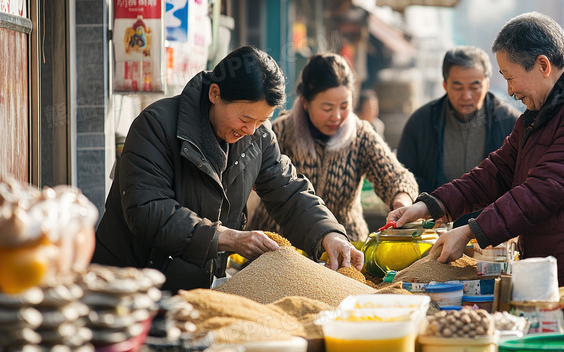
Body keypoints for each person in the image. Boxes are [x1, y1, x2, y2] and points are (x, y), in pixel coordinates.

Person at [389, 12, 564, 352]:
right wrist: (430, 205)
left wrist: (470, 232)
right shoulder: (539, 113)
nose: (509, 89)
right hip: (555, 268)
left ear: (543, 65)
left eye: (510, 76)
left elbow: (540, 193)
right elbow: (494, 173)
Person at [93, 46, 363, 292]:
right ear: (215, 94)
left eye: (262, 120)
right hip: (128, 287)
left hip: (197, 290)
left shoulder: (258, 136)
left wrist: (328, 232)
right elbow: (147, 210)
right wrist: (226, 238)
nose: (250, 130)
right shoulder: (155, 126)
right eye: (245, 118)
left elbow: (289, 191)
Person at [248, 53, 417, 242]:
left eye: (344, 106)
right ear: (305, 102)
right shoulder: (281, 132)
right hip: (279, 243)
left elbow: (396, 177)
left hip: (345, 243)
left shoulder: (360, 135)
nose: (336, 116)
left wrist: (401, 201)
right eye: (327, 108)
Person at [396, 46, 522, 227]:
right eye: (457, 86)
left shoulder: (510, 122)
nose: (467, 96)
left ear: (486, 84)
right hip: (433, 227)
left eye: (474, 86)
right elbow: (404, 175)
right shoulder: (421, 122)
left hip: (492, 229)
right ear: (445, 85)